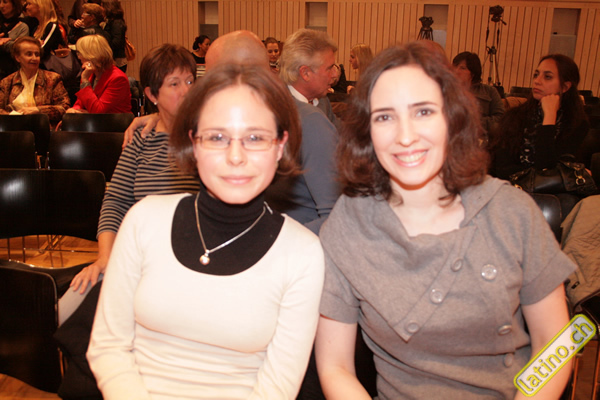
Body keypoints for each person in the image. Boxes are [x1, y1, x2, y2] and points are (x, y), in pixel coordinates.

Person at [315, 41, 575, 399]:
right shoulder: (349, 224)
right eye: (385, 117)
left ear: (451, 120)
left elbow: (556, 344)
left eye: (423, 112)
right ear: (367, 132)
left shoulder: (512, 212)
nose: (406, 136)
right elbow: (335, 366)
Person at [87, 63, 324, 399]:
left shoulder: (302, 253)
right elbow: (108, 347)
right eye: (217, 137)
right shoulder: (144, 220)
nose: (236, 156)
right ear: (193, 144)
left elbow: (278, 386)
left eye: (255, 137)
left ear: (280, 146)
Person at [269, 28, 341, 234]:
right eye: (329, 68)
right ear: (305, 73)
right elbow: (333, 214)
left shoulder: (321, 103)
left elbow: (343, 135)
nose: (335, 74)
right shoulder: (286, 111)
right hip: (299, 231)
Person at [491, 54, 588, 180]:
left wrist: (549, 117)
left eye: (547, 77)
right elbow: (502, 169)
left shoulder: (577, 124)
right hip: (512, 187)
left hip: (551, 190)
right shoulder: (514, 116)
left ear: (565, 87)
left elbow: (547, 170)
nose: (537, 81)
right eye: (536, 75)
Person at [0, 36, 69, 124]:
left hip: (43, 127)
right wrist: (10, 116)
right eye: (29, 54)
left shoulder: (52, 78)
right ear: (17, 57)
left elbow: (64, 108)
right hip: (14, 127)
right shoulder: (7, 82)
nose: (34, 58)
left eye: (37, 54)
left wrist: (38, 110)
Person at [66, 34, 131, 113]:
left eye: (80, 53)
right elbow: (80, 103)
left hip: (113, 120)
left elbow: (98, 110)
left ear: (90, 55)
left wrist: (85, 81)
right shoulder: (90, 74)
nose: (79, 57)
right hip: (92, 120)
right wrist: (74, 110)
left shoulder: (118, 78)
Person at [452, 51, 504, 136]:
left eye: (462, 68)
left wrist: (476, 123)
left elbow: (501, 118)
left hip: (481, 137)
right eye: (454, 67)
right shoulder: (447, 90)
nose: (456, 71)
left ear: (472, 73)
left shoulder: (489, 91)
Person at [0, 0, 29, 79]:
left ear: (14, 5)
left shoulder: (23, 27)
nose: (1, 6)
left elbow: (19, 48)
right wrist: (13, 43)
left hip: (13, 71)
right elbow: (15, 44)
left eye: (5, 2)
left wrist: (4, 44)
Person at [101, 0, 127, 72]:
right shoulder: (109, 21)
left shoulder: (117, 23)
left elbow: (116, 42)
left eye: (102, 6)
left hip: (117, 60)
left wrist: (105, 47)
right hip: (113, 58)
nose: (101, 8)